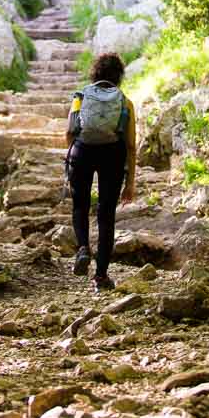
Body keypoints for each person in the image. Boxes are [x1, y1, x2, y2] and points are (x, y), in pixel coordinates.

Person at [65, 52, 136, 292]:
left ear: (94, 72)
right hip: (112, 155)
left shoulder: (80, 96)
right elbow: (131, 145)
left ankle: (83, 247)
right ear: (119, 76)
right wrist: (130, 182)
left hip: (82, 151)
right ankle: (101, 276)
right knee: (106, 216)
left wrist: (75, 157)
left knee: (80, 206)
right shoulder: (125, 102)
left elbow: (69, 131)